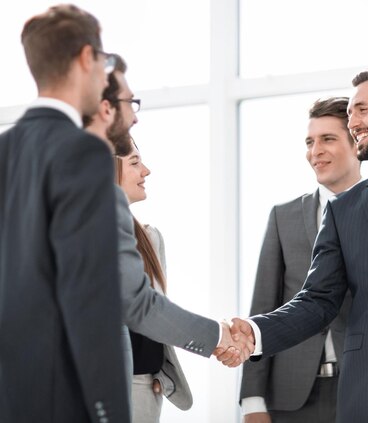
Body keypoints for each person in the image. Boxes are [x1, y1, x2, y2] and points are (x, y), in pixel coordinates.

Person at [229, 68, 368, 423]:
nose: (353, 122)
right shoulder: (343, 210)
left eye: (362, 110)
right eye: (349, 113)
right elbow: (318, 300)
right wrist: (257, 331)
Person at [83, 53, 250, 380]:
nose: (135, 117)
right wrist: (217, 335)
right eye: (131, 103)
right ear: (106, 108)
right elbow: (139, 305)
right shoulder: (98, 200)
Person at [0, 4, 130, 422]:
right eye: (105, 61)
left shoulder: (4, 148)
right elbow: (90, 296)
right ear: (85, 58)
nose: (104, 74)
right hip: (61, 398)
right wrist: (109, 412)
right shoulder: (83, 150)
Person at [240, 97, 361, 423]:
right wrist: (252, 400)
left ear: (357, 144)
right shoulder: (284, 216)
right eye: (310, 142)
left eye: (328, 139)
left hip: (364, 387)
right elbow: (263, 305)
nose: (315, 151)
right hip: (291, 396)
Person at [114, 141, 193, 422]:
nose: (146, 171)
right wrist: (217, 338)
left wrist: (158, 373)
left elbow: (155, 313)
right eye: (135, 162)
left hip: (145, 389)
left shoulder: (150, 238)